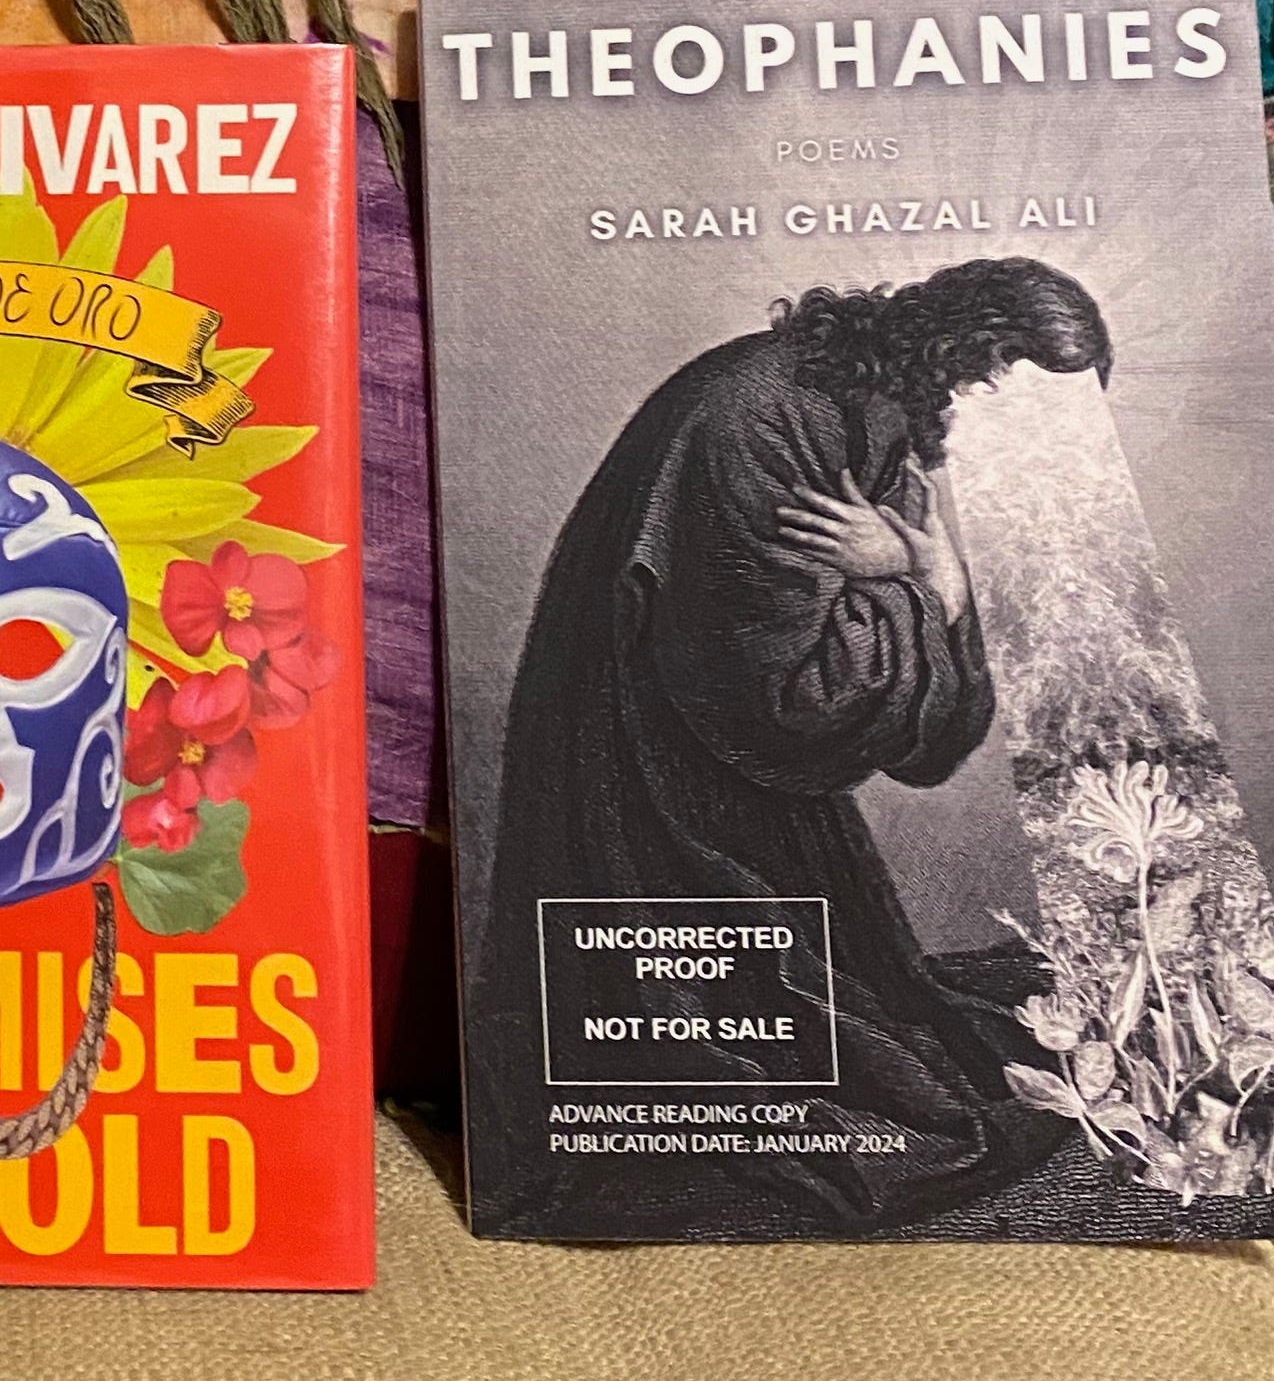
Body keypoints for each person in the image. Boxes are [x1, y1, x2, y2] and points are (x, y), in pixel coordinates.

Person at [469, 255, 1112, 1238]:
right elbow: (788, 698)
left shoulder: (876, 418)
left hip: (724, 773)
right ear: (978, 365)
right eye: (1034, 421)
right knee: (782, 1077)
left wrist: (922, 574)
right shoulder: (761, 424)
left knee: (898, 1029)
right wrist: (921, 588)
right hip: (652, 772)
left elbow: (933, 742)